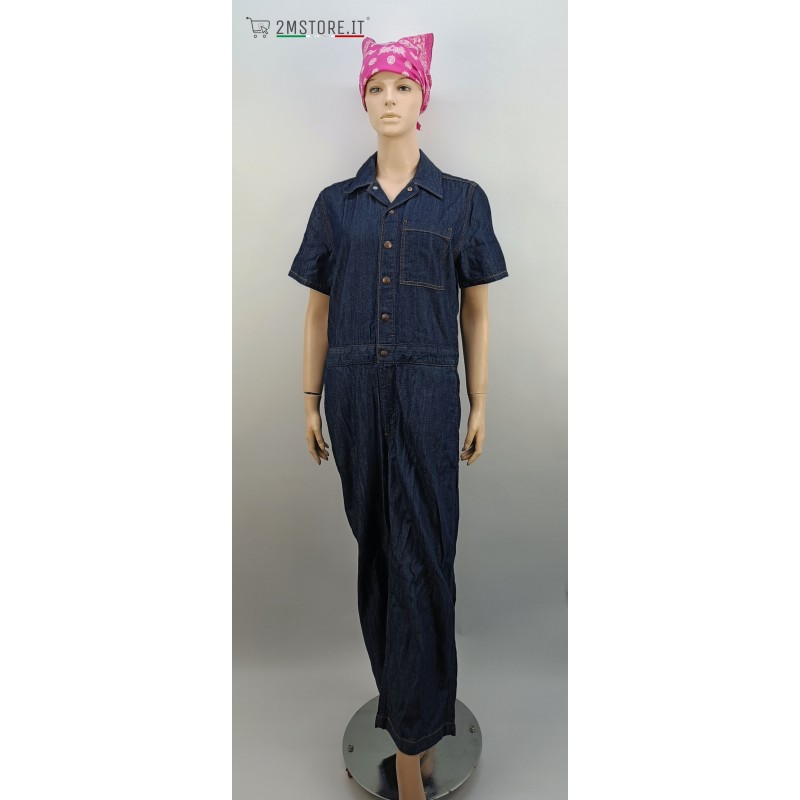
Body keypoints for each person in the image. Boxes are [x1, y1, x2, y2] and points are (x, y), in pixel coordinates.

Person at [287, 32, 509, 800]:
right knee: (379, 556)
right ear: (364, 101)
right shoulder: (335, 205)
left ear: (423, 99)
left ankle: (414, 741)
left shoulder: (463, 201)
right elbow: (317, 313)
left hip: (426, 394)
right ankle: (407, 706)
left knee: (424, 560)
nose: (390, 100)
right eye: (377, 88)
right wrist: (309, 400)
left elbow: (476, 313)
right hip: (351, 395)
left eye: (403, 87)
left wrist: (480, 401)